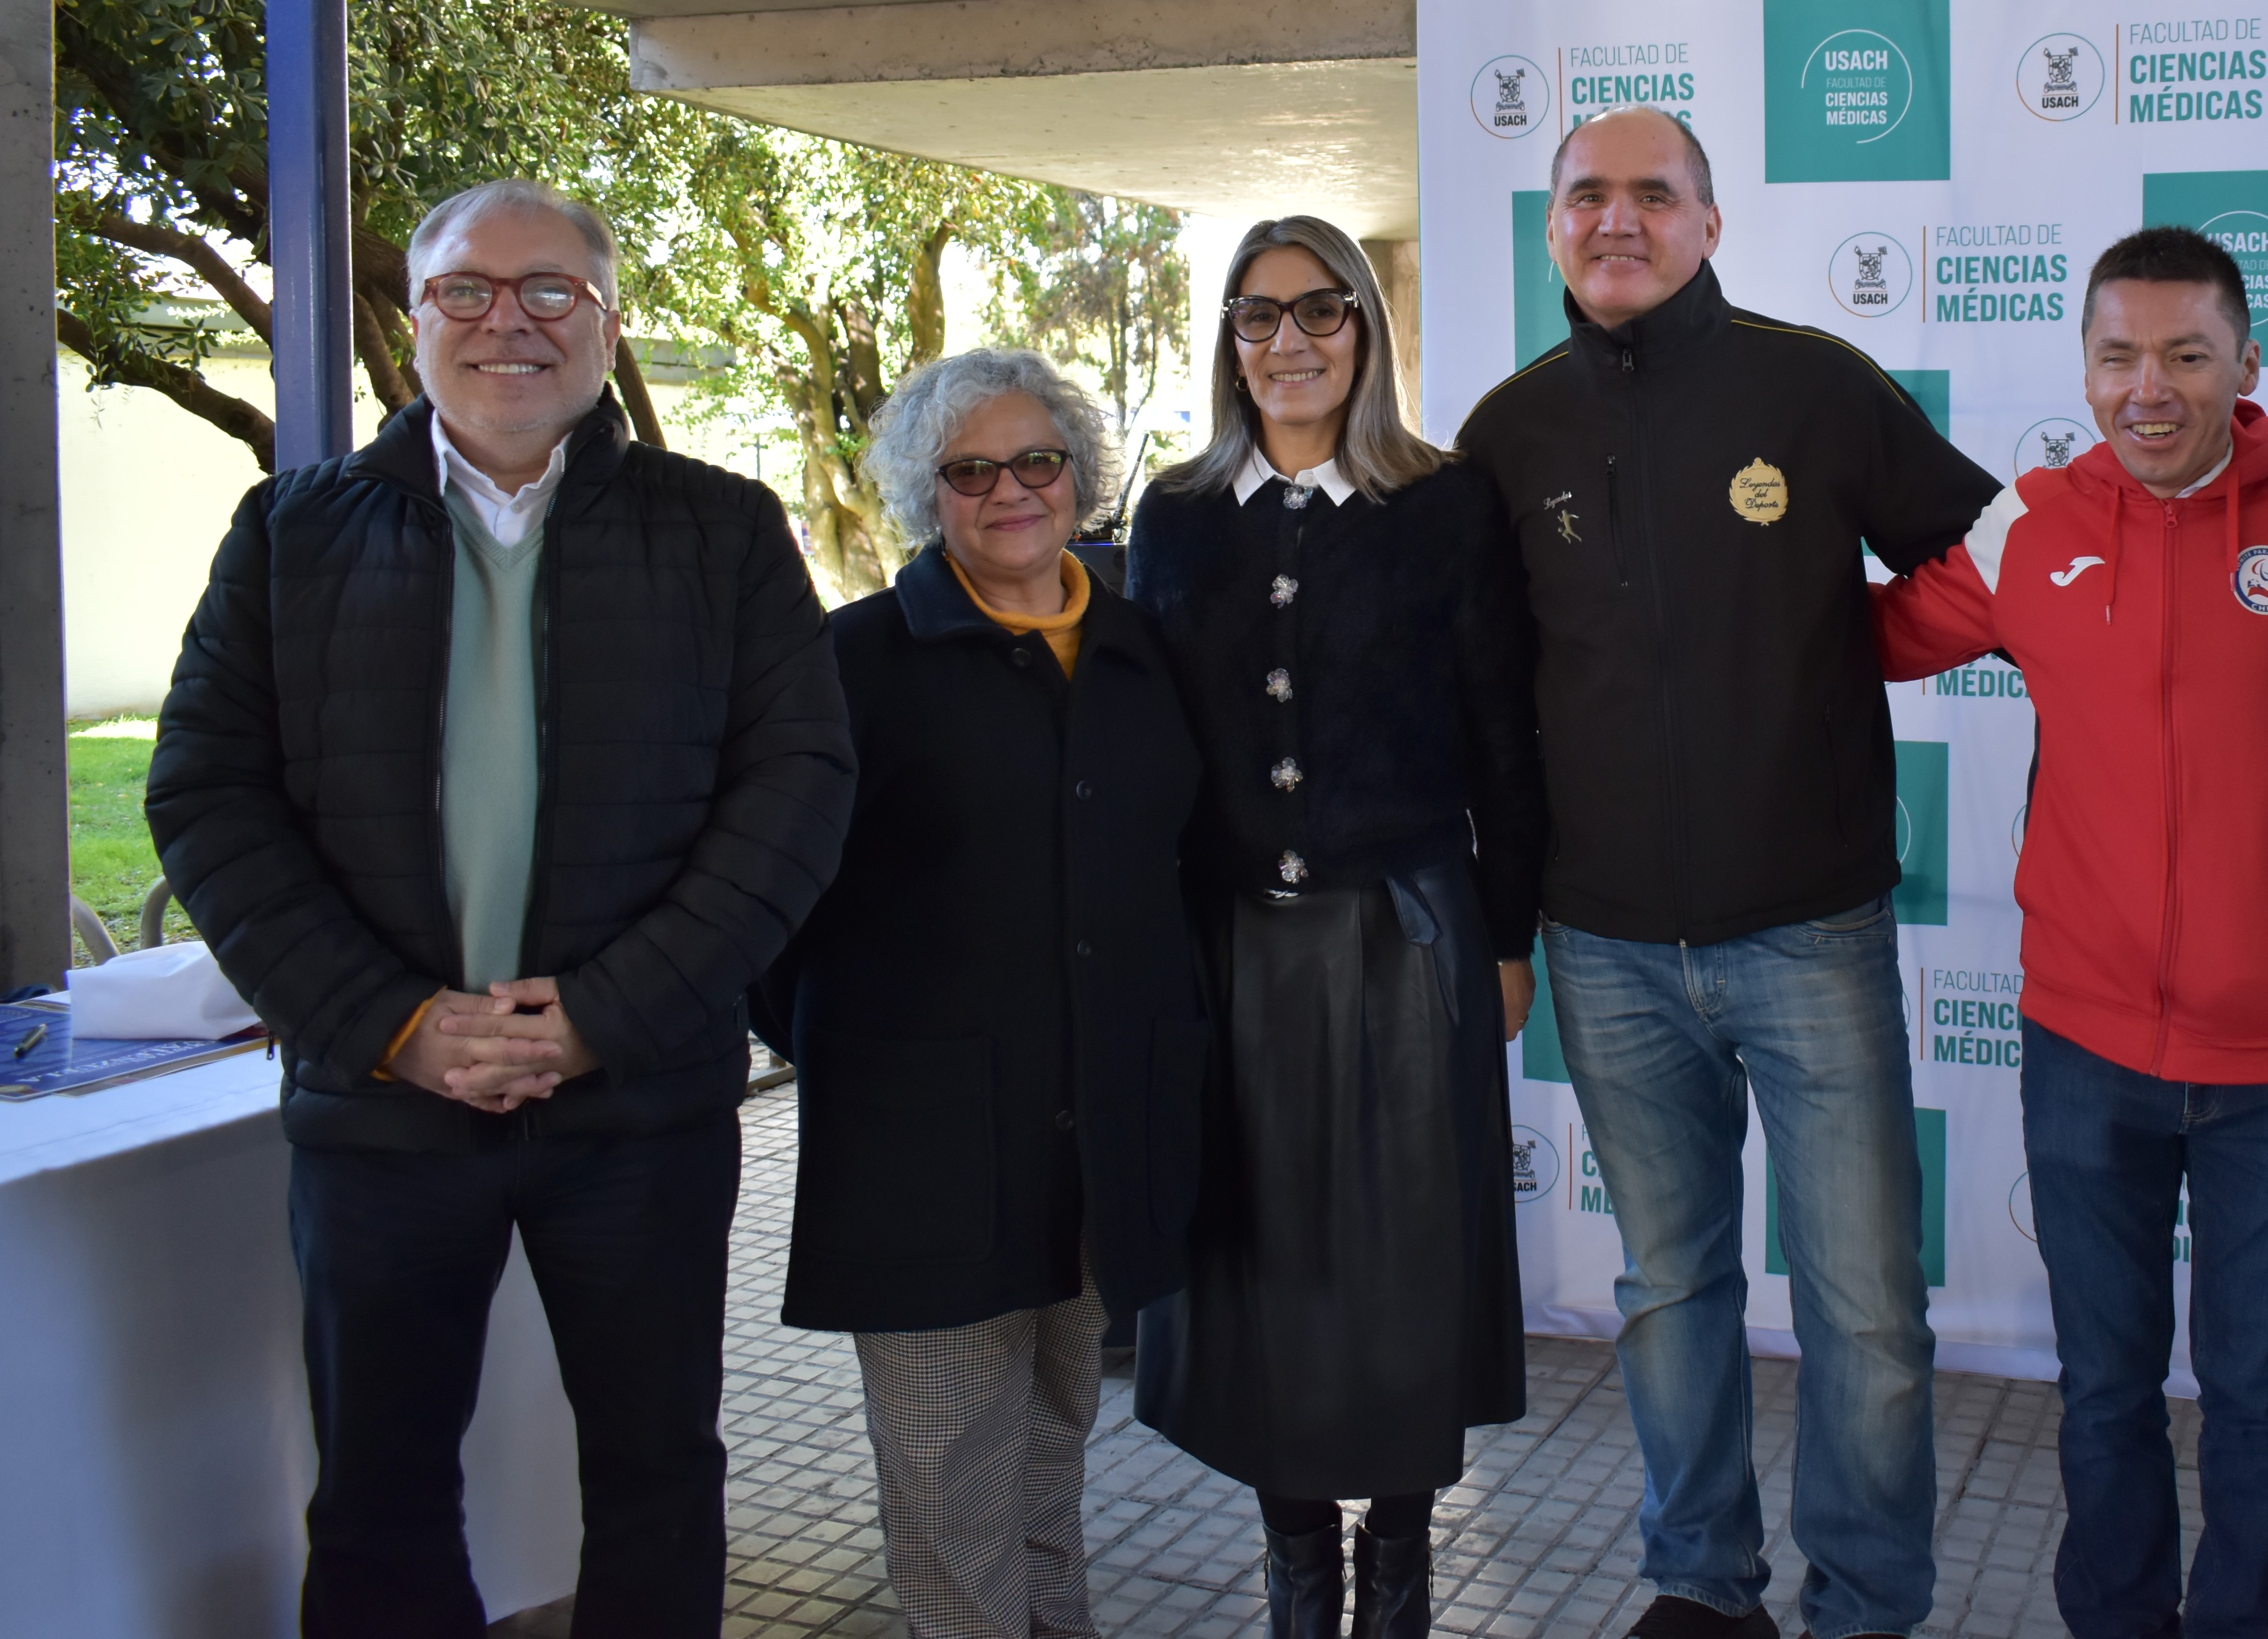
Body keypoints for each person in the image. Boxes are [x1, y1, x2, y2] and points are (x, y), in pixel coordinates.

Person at [147, 179, 856, 1636]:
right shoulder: (290, 533)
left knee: (660, 1474)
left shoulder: (722, 531)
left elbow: (797, 797)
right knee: (379, 1493)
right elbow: (206, 800)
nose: (508, 322)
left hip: (638, 1110)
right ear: (412, 320)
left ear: (608, 323)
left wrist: (603, 1020)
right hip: (384, 1109)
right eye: (467, 289)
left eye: (552, 291)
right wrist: (391, 1025)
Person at [1454, 107, 1998, 1639]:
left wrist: (1855, 650)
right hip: (1606, 945)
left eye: (1652, 194)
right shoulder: (1509, 432)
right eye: (1586, 196)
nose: (1616, 220)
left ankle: (1869, 1604)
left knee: (1868, 1314)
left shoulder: (1813, 387)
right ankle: (1701, 1586)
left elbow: (1990, 557)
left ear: (1709, 221)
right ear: (1552, 225)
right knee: (1668, 1293)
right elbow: (1484, 698)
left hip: (1811, 931)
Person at [1872, 228, 2268, 1638]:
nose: (2149, 386)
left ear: (2246, 365)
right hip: (2084, 1046)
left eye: (2186, 354)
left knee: (2254, 1398)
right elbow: (1858, 636)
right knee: (2104, 1390)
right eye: (2120, 355)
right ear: (2087, 367)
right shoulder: (2030, 525)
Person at [1128, 215, 1547, 1639]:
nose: (1289, 343)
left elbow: (1506, 742)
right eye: (1258, 317)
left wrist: (1506, 937)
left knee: (1407, 1266)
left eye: (1320, 313)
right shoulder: (1179, 514)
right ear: (1228, 341)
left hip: (1407, 936)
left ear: (1366, 331)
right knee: (1260, 1268)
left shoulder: (1446, 503)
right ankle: (1299, 1565)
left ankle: (1404, 1574)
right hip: (1228, 944)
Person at [754, 349, 1207, 1639]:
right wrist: (866, 1050)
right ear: (925, 493)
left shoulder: (1139, 649)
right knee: (950, 1482)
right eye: (969, 471)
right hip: (922, 1154)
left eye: (1037, 460)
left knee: (1057, 1443)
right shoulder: (850, 664)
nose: (1010, 490)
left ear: (1078, 475)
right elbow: (767, 904)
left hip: (1096, 1133)